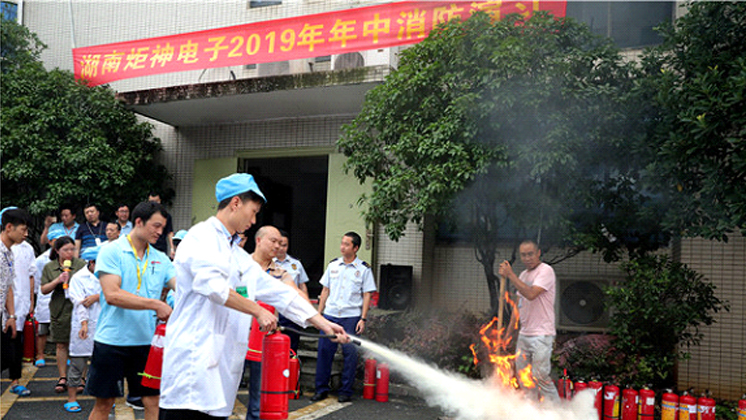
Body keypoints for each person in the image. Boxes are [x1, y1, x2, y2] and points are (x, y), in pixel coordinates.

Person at [159, 173, 348, 420]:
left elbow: (276, 290)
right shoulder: (201, 237)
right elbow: (213, 287)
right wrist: (257, 310)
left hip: (220, 371)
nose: (254, 219)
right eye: (253, 211)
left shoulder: (235, 254)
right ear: (236, 203)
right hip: (191, 368)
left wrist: (322, 323)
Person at [86, 201, 176, 420]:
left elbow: (182, 288)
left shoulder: (161, 258)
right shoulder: (111, 251)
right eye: (156, 226)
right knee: (104, 403)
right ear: (138, 222)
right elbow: (112, 295)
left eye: (163, 228)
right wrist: (156, 304)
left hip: (147, 342)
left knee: (153, 401)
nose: (160, 232)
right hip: (112, 341)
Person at [244, 225, 305, 420]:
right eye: (274, 241)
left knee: (258, 396)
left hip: (263, 339)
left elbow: (296, 295)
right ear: (259, 240)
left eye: (280, 243)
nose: (278, 246)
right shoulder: (241, 265)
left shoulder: (281, 272)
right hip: (236, 337)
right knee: (225, 394)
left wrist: (321, 321)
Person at [312, 232, 376, 403]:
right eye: (342, 243)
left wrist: (363, 319)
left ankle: (345, 391)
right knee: (325, 352)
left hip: (351, 317)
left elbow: (367, 295)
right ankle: (321, 389)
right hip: (330, 315)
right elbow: (325, 291)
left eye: (347, 244)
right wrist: (319, 314)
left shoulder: (363, 269)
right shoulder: (333, 265)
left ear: (355, 248)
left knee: (350, 354)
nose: (342, 247)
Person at [498, 240, 559, 403]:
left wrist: (510, 275)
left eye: (530, 254)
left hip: (542, 335)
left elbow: (531, 294)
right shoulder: (524, 275)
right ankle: (531, 412)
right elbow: (519, 308)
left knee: (540, 376)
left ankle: (558, 413)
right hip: (524, 335)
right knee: (524, 379)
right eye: (523, 255)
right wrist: (508, 334)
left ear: (538, 252)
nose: (527, 258)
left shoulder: (546, 271)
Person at [41, 236, 87, 394]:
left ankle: (81, 377)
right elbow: (44, 289)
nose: (69, 253)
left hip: (78, 308)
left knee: (81, 345)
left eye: (72, 249)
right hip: (60, 307)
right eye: (66, 250)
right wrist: (57, 280)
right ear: (57, 250)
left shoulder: (81, 265)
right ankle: (62, 377)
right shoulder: (49, 267)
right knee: (61, 344)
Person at [64, 246, 102, 413]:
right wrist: (84, 323)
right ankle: (71, 399)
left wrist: (98, 296)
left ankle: (103, 399)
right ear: (92, 263)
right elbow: (80, 303)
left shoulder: (108, 276)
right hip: (82, 325)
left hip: (103, 325)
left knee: (102, 365)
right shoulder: (79, 278)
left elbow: (116, 293)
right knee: (78, 364)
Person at [1, 207, 32, 397]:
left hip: (4, 315)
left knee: (9, 355)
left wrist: (11, 315)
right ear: (9, 227)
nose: (26, 234)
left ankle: (15, 381)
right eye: (23, 230)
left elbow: (8, 286)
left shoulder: (9, 253)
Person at [274, 229, 310, 352]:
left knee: (291, 346)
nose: (281, 248)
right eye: (279, 244)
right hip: (273, 310)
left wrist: (305, 306)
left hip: (291, 310)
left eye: (285, 245)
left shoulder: (296, 264)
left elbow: (302, 286)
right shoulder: (267, 263)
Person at [34, 227, 65, 366]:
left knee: (63, 328)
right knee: (42, 329)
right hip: (45, 297)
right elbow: (36, 280)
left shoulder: (69, 258)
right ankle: (40, 354)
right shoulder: (41, 260)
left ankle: (65, 354)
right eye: (56, 241)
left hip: (62, 298)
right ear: (50, 242)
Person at [147, 193, 174, 258]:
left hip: (161, 246)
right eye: (151, 202)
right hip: (147, 246)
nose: (154, 204)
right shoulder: (145, 216)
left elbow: (169, 232)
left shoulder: (166, 216)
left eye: (156, 201)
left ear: (160, 201)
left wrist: (172, 248)